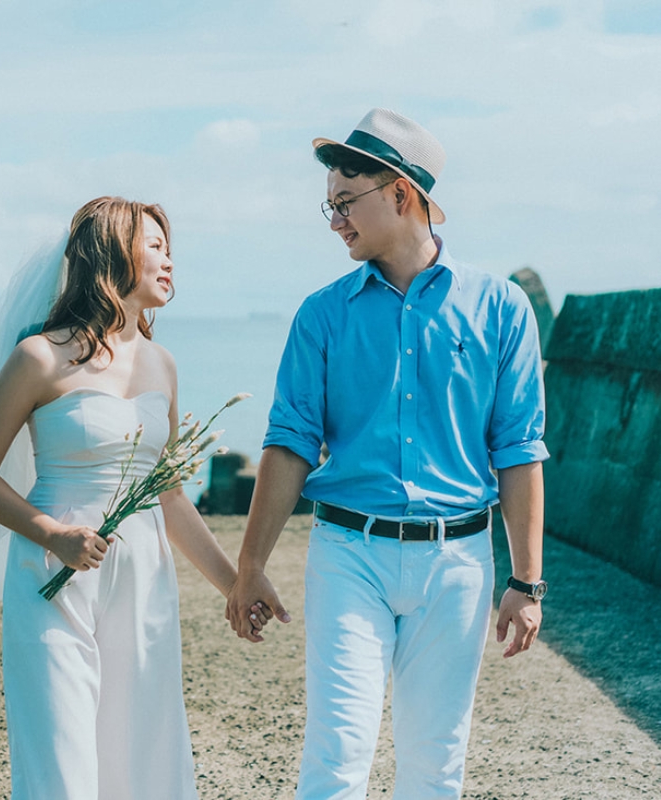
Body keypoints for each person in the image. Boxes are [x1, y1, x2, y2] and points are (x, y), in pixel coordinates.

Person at [224, 109, 549, 799]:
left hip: (458, 561)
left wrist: (526, 581)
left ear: (401, 194)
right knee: (337, 753)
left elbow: (519, 450)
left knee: (436, 764)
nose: (335, 220)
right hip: (349, 554)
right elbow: (288, 445)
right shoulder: (322, 314)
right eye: (330, 206)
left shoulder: (501, 308)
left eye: (346, 203)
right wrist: (249, 566)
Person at [0, 196, 241, 800]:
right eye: (155, 247)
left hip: (142, 577)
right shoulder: (40, 356)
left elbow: (170, 497)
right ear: (112, 254)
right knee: (61, 761)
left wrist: (235, 585)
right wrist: (51, 534)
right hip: (50, 571)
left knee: (142, 752)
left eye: (171, 249)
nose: (169, 262)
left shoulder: (162, 364)